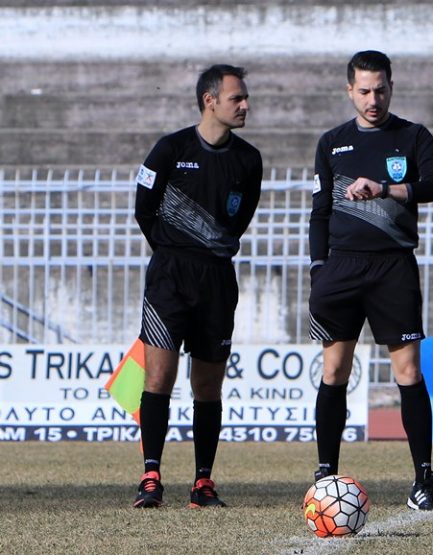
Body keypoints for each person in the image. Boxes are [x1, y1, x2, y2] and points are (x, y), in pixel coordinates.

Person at [308, 50, 433, 511]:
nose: (374, 99)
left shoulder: (412, 136)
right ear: (349, 90)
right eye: (365, 90)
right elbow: (320, 212)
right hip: (343, 268)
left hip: (393, 267)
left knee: (408, 372)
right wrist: (318, 268)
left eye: (381, 89)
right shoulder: (332, 143)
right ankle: (325, 475)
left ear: (392, 87)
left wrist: (386, 187)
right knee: (335, 371)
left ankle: (423, 480)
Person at [132, 64, 262, 508]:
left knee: (208, 386)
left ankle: (203, 481)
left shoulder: (248, 160)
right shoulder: (171, 149)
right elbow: (144, 209)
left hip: (217, 281)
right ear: (210, 100)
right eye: (236, 98)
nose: (245, 105)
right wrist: (173, 251)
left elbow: (240, 218)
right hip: (170, 276)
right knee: (159, 378)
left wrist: (209, 250)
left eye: (244, 98)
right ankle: (151, 477)